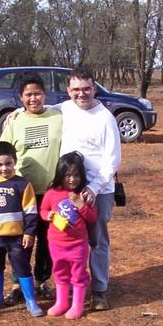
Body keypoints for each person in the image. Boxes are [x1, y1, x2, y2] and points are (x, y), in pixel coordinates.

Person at [59, 67, 121, 311]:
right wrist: (18, 111)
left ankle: (99, 290)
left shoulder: (105, 118)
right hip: (70, 186)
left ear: (94, 88)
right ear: (68, 91)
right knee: (69, 238)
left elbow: (112, 160)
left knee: (97, 241)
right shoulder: (65, 108)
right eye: (75, 89)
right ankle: (74, 287)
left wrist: (94, 188)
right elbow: (41, 110)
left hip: (99, 189)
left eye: (86, 88)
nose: (81, 94)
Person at [0, 74, 63, 304]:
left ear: (45, 94)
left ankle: (41, 281)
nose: (33, 98)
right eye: (28, 94)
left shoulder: (58, 116)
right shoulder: (15, 122)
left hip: (51, 192)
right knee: (20, 241)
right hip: (22, 193)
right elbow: (1, 153)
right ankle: (18, 283)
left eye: (37, 93)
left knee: (47, 239)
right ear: (21, 97)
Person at [0, 141, 44, 317]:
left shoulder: (22, 184)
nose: (4, 168)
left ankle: (30, 300)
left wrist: (29, 231)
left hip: (17, 237)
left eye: (8, 164)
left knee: (22, 267)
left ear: (15, 161)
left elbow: (30, 210)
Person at [40, 152, 97, 319]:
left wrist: (81, 205)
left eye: (76, 175)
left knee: (78, 273)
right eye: (68, 175)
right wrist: (47, 215)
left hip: (77, 243)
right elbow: (43, 209)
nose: (72, 179)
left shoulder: (84, 194)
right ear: (60, 175)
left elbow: (93, 217)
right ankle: (62, 302)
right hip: (56, 243)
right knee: (59, 271)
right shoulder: (52, 193)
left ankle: (77, 305)